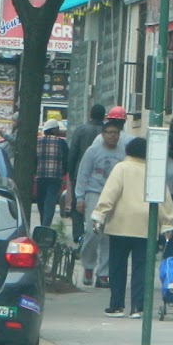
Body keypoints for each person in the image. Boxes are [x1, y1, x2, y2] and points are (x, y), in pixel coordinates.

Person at [91, 135, 173, 317]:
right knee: (142, 268)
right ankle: (138, 307)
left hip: (121, 224)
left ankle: (116, 306)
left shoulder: (121, 168)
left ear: (128, 151)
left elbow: (110, 194)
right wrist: (167, 224)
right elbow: (164, 198)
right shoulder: (154, 171)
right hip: (146, 225)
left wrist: (99, 216)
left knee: (117, 266)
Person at [74, 109, 128, 288]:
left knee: (108, 236)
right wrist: (79, 198)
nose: (114, 136)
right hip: (94, 194)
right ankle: (88, 265)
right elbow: (83, 174)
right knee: (92, 231)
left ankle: (103, 273)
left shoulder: (122, 153)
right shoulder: (93, 151)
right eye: (110, 133)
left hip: (114, 197)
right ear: (103, 134)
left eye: (116, 133)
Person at [67, 104, 107, 245]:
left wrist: (70, 172)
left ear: (90, 114)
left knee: (77, 206)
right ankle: (98, 234)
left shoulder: (81, 130)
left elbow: (73, 153)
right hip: (102, 175)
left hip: (81, 172)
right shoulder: (107, 132)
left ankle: (79, 235)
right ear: (104, 116)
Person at [34, 119, 69, 232]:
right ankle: (45, 226)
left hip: (41, 176)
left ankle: (42, 223)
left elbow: (34, 159)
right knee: (50, 202)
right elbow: (66, 160)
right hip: (55, 177)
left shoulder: (38, 142)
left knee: (41, 202)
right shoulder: (61, 143)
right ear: (54, 130)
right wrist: (63, 171)